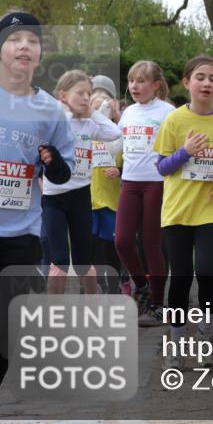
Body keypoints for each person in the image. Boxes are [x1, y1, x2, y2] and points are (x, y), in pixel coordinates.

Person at [0, 12, 75, 424]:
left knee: (7, 332)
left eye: (33, 39)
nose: (24, 46)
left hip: (25, 236)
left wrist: (54, 162)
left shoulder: (50, 109)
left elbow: (65, 174)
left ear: (39, 53)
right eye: (14, 39)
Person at [155, 55, 213, 368]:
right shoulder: (174, 121)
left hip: (211, 209)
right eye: (201, 77)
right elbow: (162, 167)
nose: (207, 83)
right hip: (178, 211)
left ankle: (206, 334)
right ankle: (178, 341)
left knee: (207, 271)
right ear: (187, 83)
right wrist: (186, 152)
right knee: (179, 277)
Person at [42, 70, 122, 294]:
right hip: (54, 198)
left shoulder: (89, 124)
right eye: (80, 93)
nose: (86, 98)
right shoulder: (55, 120)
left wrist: (93, 113)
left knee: (83, 260)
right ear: (63, 95)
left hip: (80, 195)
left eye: (89, 93)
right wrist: (67, 111)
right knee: (58, 260)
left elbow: (114, 133)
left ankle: (92, 302)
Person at [116, 60, 174, 326]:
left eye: (140, 81)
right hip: (129, 181)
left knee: (151, 244)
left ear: (156, 85)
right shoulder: (128, 113)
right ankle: (142, 286)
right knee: (123, 241)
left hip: (156, 182)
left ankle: (158, 306)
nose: (134, 86)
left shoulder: (167, 112)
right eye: (131, 81)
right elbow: (116, 143)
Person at [90, 76, 125, 294]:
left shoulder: (118, 137)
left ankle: (114, 286)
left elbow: (130, 165)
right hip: (88, 202)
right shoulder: (84, 136)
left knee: (111, 249)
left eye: (103, 108)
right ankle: (92, 286)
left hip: (113, 202)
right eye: (94, 109)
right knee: (91, 248)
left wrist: (119, 171)